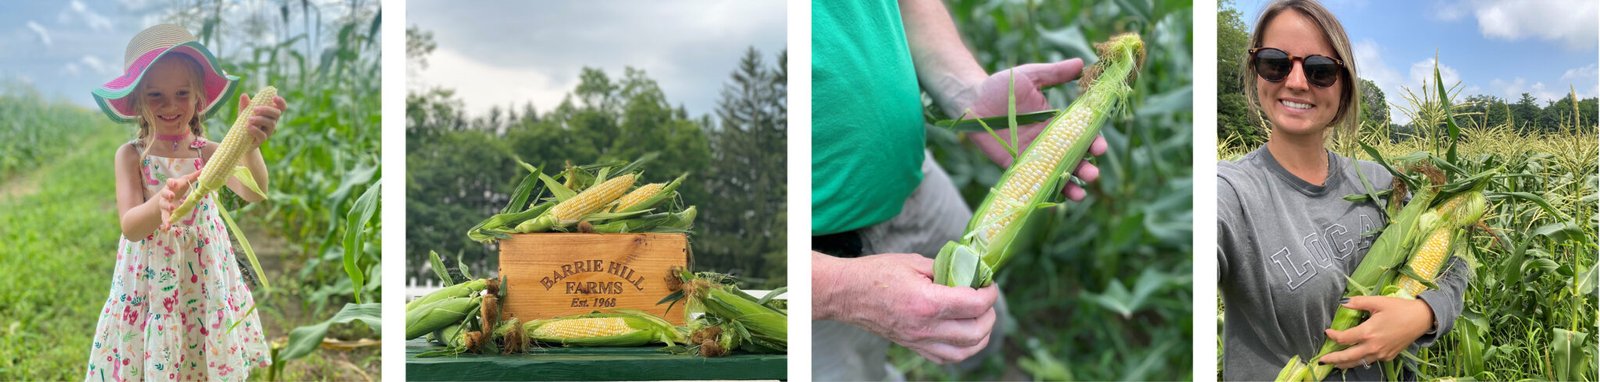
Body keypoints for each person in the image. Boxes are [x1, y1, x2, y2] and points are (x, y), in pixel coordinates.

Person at [811, 0, 1106, 379]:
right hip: (818, 258)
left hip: (914, 179)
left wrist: (967, 92)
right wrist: (840, 288)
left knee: (985, 324)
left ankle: (994, 368)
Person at [1216, 0, 1466, 380]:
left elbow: (1453, 264)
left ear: (1344, 84)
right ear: (1255, 73)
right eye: (1275, 63)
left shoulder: (1385, 185)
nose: (1296, 82)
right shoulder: (1229, 192)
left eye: (1319, 70)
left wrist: (1423, 314)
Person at [85, 23, 287, 381]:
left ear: (199, 98)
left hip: (203, 268)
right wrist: (159, 202)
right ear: (136, 101)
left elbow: (253, 191)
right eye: (155, 95)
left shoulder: (210, 152)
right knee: (160, 338)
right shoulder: (131, 156)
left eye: (181, 93)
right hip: (152, 272)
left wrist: (249, 148)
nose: (170, 105)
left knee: (198, 337)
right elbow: (131, 226)